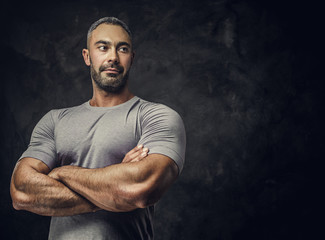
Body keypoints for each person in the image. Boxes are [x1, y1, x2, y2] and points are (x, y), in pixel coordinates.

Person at [10, 17, 186, 240]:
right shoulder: (55, 120)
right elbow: (22, 190)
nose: (112, 57)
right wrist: (114, 186)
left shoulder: (156, 117)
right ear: (87, 56)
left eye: (122, 49)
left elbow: (142, 188)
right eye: (103, 47)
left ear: (131, 58)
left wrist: (62, 173)